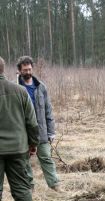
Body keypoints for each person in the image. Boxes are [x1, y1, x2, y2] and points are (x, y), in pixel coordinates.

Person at [0, 56, 39, 201]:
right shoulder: (20, 91)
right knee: (22, 188)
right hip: (18, 148)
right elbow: (32, 122)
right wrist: (33, 143)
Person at [16, 56, 60, 191]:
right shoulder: (15, 88)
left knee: (46, 157)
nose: (28, 72)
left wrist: (51, 131)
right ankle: (30, 187)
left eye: (29, 69)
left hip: (41, 131)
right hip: (23, 132)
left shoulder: (41, 87)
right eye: (25, 70)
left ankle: (55, 185)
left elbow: (48, 110)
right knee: (25, 161)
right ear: (19, 70)